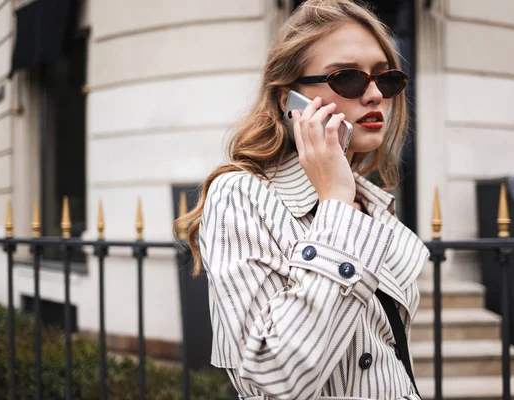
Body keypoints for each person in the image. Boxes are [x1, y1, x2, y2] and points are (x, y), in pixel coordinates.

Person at [174, 1, 430, 399]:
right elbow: (276, 375)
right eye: (347, 79)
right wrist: (336, 204)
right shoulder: (242, 195)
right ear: (288, 99)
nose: (375, 94)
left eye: (386, 78)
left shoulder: (371, 201)